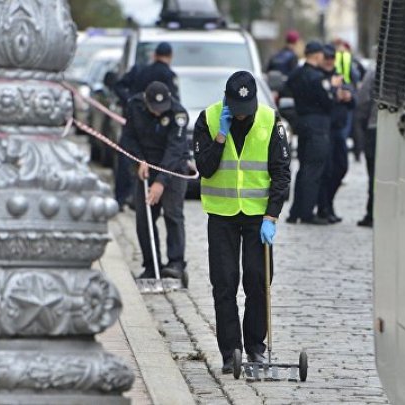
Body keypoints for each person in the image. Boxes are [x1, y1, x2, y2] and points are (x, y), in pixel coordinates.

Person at [193, 71, 291, 373]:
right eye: (235, 111)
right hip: (221, 214)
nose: (241, 117)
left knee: (258, 281)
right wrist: (220, 136)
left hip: (257, 216)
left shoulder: (270, 121)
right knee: (224, 283)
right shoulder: (208, 120)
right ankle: (230, 351)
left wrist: (272, 215)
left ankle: (255, 348)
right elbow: (205, 169)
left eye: (245, 112)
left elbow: (281, 173)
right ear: (227, 101)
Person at [122, 81, 190, 279]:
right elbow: (128, 138)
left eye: (162, 109)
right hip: (146, 166)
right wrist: (138, 160)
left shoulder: (178, 114)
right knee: (144, 218)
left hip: (173, 168)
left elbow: (174, 150)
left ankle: (176, 263)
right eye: (154, 109)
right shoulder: (134, 106)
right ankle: (151, 265)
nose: (158, 113)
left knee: (173, 214)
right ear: (146, 101)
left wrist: (160, 181)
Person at [113, 42, 179, 210]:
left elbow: (118, 85)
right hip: (158, 129)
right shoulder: (169, 76)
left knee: (128, 158)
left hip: (135, 122)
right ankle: (144, 200)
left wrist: (129, 101)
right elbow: (174, 104)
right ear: (170, 57)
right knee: (152, 162)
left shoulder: (139, 70)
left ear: (155, 55)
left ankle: (122, 198)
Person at [286, 41, 340, 225]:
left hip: (303, 123)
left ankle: (295, 212)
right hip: (318, 125)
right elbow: (328, 102)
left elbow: (287, 88)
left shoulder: (296, 75)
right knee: (314, 170)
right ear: (317, 56)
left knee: (303, 168)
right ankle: (307, 212)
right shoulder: (318, 78)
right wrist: (333, 90)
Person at [317, 44, 356, 223]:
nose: (329, 62)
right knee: (327, 170)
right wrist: (334, 92)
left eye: (332, 59)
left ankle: (329, 203)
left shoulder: (338, 76)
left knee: (341, 167)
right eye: (327, 58)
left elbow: (353, 99)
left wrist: (348, 96)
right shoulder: (319, 77)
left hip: (339, 129)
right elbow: (323, 99)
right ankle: (324, 207)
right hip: (325, 129)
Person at [356, 66, 377, 227]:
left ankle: (372, 213)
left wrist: (361, 124)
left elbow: (363, 100)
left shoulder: (374, 71)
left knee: (375, 176)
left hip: (375, 128)